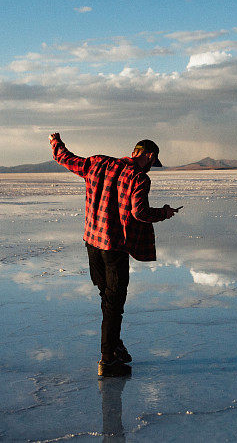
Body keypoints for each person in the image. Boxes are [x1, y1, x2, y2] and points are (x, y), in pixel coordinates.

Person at [49, 133, 180, 377]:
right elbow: (139, 213)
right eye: (153, 162)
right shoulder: (138, 177)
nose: (152, 167)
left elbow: (66, 159)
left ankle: (115, 345)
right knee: (114, 304)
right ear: (149, 156)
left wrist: (55, 142)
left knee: (106, 296)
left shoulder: (98, 163)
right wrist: (163, 213)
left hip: (91, 242)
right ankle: (108, 360)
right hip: (114, 248)